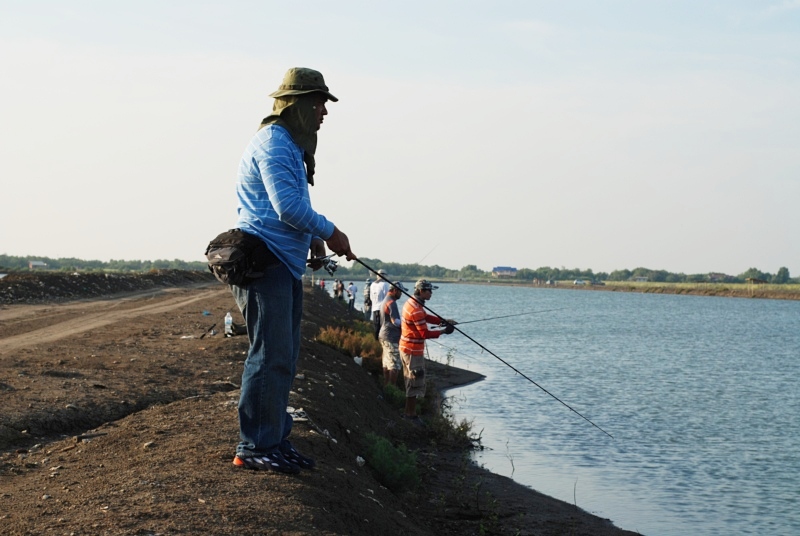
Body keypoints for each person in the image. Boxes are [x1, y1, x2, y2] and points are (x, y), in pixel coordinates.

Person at [229, 67, 354, 474]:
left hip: (283, 263)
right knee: (268, 356)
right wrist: (332, 232)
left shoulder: (290, 147)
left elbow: (292, 209)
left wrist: (314, 241)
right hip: (265, 263)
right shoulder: (274, 145)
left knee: (284, 356)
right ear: (297, 104)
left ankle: (274, 440)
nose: (324, 112)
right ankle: (254, 446)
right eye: (319, 103)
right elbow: (287, 209)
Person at [399, 279, 455, 424]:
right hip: (412, 350)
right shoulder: (416, 309)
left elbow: (425, 317)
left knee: (410, 381)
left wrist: (442, 321)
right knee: (414, 382)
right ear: (421, 291)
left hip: (406, 348)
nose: (431, 293)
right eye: (429, 291)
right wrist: (444, 331)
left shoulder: (412, 303)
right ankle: (410, 415)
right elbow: (424, 334)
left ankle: (409, 413)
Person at [378, 282, 407, 386]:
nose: (401, 294)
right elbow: (395, 321)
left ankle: (386, 386)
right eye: (401, 292)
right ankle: (392, 388)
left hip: (383, 335)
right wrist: (407, 324)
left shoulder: (385, 300)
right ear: (395, 290)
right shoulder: (391, 302)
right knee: (394, 366)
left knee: (386, 363)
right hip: (391, 338)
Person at [369, 269, 390, 339]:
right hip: (382, 308)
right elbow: (387, 297)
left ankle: (376, 341)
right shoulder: (384, 284)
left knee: (376, 326)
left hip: (374, 308)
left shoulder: (372, 284)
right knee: (382, 327)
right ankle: (381, 342)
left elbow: (371, 297)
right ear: (383, 275)